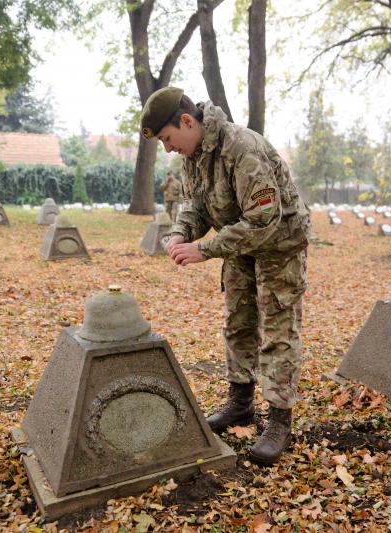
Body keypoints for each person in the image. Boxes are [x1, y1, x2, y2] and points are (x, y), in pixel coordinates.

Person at [139, 87, 311, 464]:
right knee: (238, 322)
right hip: (240, 245)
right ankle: (241, 403)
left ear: (186, 122)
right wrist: (182, 232)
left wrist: (205, 249)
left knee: (278, 329)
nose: (169, 148)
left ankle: (280, 419)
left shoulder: (241, 147)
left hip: (279, 245)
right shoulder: (194, 156)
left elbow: (264, 217)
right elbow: (196, 205)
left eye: (168, 139)